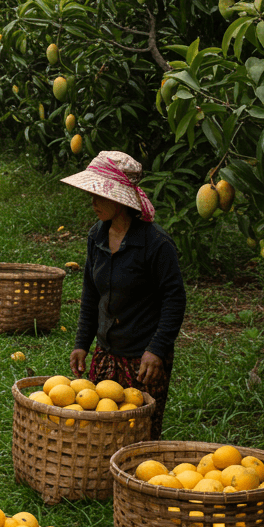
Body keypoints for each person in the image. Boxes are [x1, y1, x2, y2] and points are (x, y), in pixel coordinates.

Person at [63, 151, 186, 440]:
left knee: (138, 433)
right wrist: (82, 343)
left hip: (143, 359)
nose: (93, 202)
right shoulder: (97, 235)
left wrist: (156, 350)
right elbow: (91, 293)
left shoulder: (155, 244)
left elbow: (174, 300)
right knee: (100, 430)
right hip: (107, 352)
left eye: (100, 195)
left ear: (121, 199)